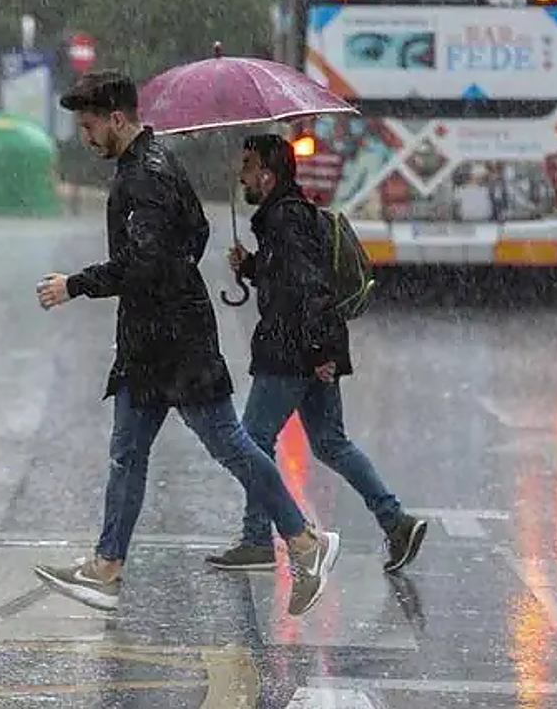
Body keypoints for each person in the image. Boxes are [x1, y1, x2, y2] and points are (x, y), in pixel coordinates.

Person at [32, 71, 340, 617]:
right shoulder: (155, 165)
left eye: (89, 126)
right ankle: (106, 567)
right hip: (156, 338)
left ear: (118, 120)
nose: (85, 136)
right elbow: (195, 233)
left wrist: (74, 285)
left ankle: (304, 541)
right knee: (129, 453)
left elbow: (143, 263)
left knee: (229, 445)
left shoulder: (143, 178)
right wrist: (173, 275)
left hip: (175, 343)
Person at [206, 134, 428, 574]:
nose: (241, 176)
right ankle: (396, 522)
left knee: (251, 441)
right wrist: (251, 266)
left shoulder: (284, 221)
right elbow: (290, 278)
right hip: (310, 347)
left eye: (248, 167)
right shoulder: (285, 217)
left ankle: (257, 540)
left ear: (267, 176)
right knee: (330, 443)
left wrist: (318, 351)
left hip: (293, 349)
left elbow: (309, 289)